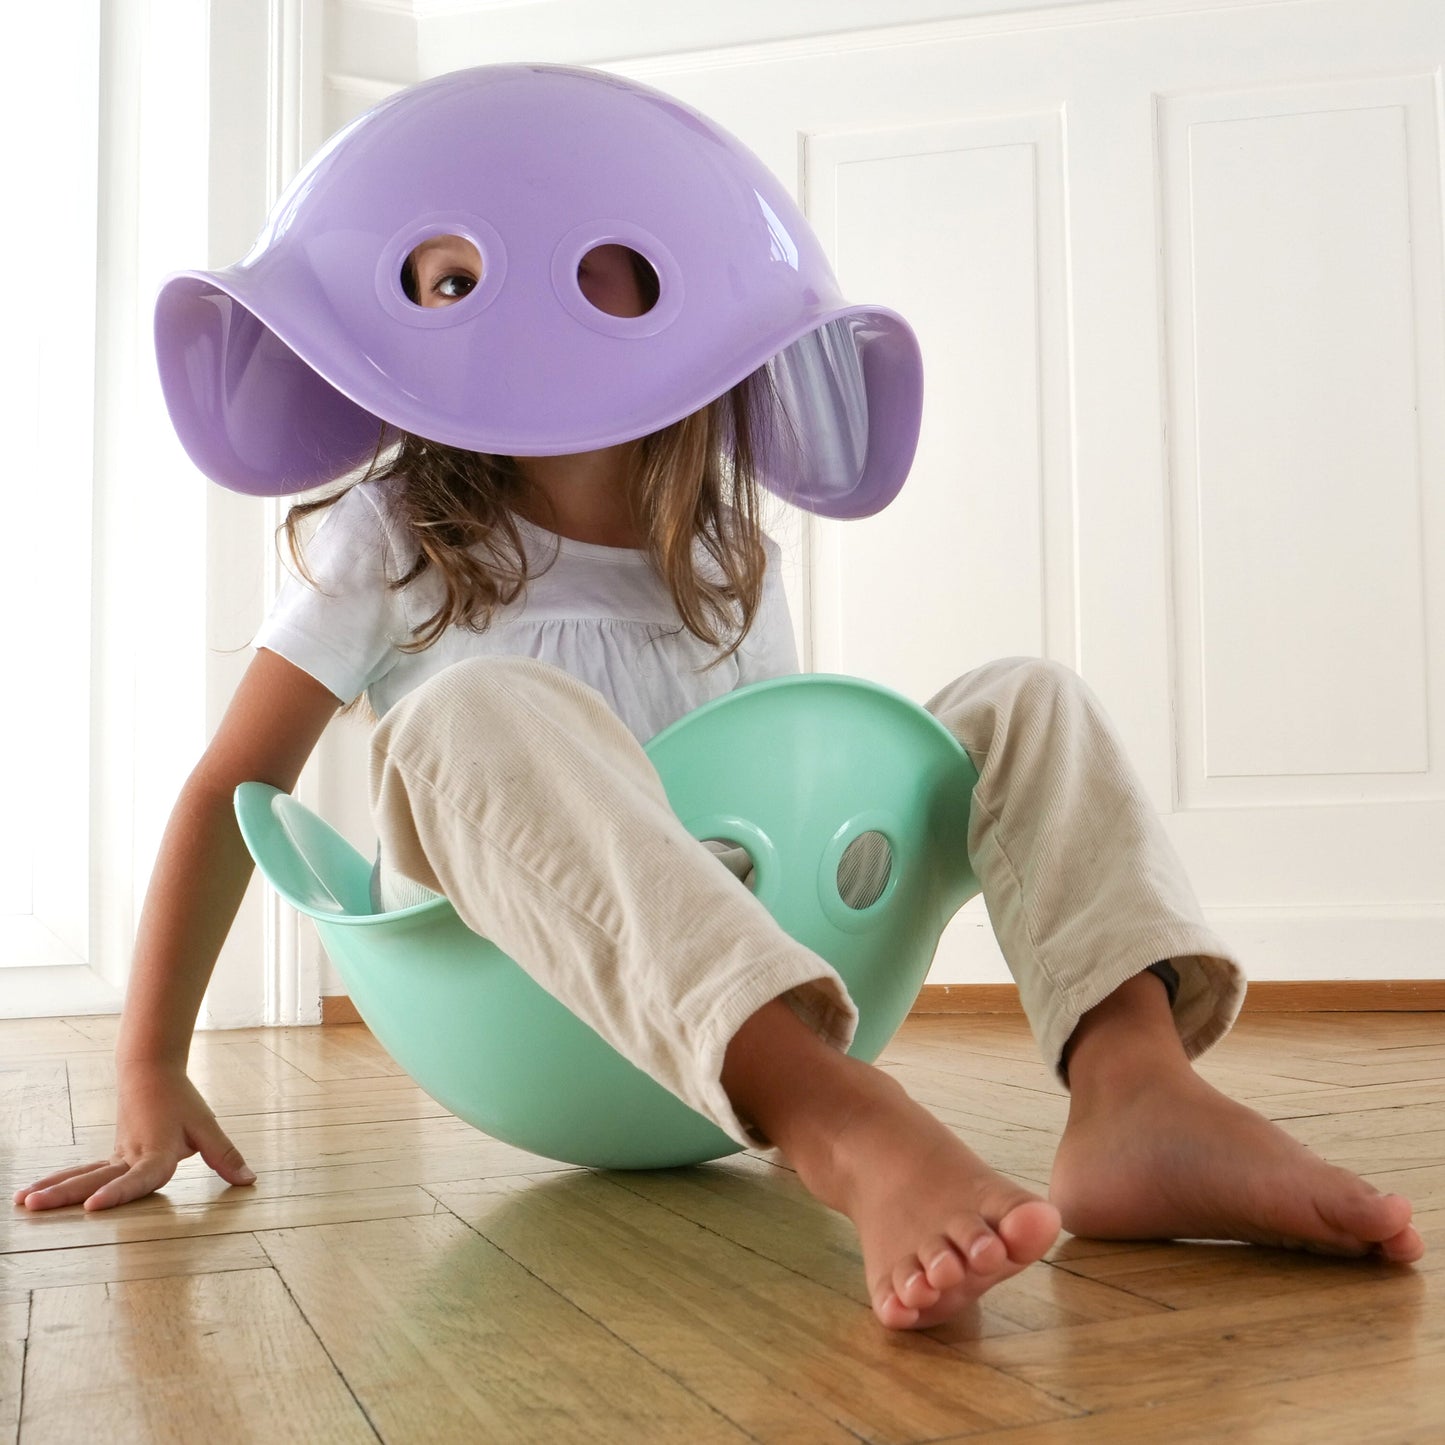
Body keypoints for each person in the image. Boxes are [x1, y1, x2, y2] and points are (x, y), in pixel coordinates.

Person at [14, 68, 1423, 1332]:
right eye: (444, 280)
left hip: (765, 964)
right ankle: (838, 1125)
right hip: (535, 999)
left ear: (680, 290)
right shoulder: (390, 533)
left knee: (1023, 698)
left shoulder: (718, 542)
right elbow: (230, 787)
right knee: (465, 710)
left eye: (595, 268)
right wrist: (149, 1060)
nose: (502, 311)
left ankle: (1135, 1087)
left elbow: (777, 787)